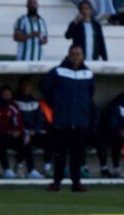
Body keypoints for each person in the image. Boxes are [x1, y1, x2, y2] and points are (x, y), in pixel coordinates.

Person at [43, 45, 94, 192]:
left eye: (78, 54)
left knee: (77, 155)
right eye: (73, 54)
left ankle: (76, 182)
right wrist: (57, 106)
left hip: (79, 121)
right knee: (60, 154)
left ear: (82, 56)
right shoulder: (57, 72)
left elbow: (90, 95)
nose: (75, 56)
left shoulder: (88, 74)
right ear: (68, 55)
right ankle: (57, 182)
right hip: (61, 121)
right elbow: (47, 90)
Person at [0, 85, 33, 178]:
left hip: (12, 136)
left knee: (25, 141)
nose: (7, 97)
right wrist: (8, 131)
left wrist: (18, 131)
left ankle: (26, 168)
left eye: (8, 95)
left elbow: (18, 122)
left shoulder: (14, 106)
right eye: (5, 95)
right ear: (0, 95)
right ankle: (7, 169)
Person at [15, 76, 50, 177]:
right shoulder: (15, 102)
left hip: (33, 132)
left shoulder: (35, 102)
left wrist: (35, 130)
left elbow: (40, 119)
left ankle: (47, 167)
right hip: (20, 133)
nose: (26, 88)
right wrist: (25, 131)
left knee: (49, 139)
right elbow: (15, 119)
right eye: (24, 86)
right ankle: (24, 168)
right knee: (25, 141)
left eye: (28, 86)